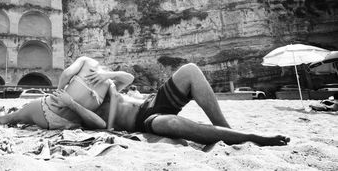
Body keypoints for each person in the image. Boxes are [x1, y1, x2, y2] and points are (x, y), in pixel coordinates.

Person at [54, 63, 290, 147]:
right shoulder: (85, 111)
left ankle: (226, 131)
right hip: (146, 122)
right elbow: (100, 125)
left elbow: (128, 78)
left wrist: (108, 74)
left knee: (190, 70)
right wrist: (72, 104)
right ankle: (248, 136)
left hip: (152, 102)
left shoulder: (105, 89)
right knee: (170, 123)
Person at [0, 56, 134, 129]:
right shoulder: (110, 86)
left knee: (12, 118)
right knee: (23, 118)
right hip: (68, 124)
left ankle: (3, 117)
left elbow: (67, 73)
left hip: (47, 111)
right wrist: (109, 76)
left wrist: (59, 92)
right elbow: (129, 78)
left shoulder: (87, 61)